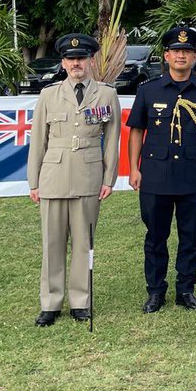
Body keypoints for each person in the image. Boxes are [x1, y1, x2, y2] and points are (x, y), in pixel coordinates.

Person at [127, 23, 196, 313]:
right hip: (155, 175)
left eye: (187, 51)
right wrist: (134, 168)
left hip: (195, 173)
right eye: (176, 51)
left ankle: (186, 289)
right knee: (155, 236)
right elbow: (136, 130)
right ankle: (155, 291)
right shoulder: (148, 90)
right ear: (166, 56)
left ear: (195, 57)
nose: (181, 56)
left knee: (190, 234)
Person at [27, 33, 121, 326]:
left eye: (81, 58)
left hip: (89, 176)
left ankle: (81, 301)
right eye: (71, 59)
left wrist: (109, 178)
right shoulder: (49, 95)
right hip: (53, 176)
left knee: (84, 243)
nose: (76, 63)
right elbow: (38, 141)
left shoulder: (106, 94)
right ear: (63, 63)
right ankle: (51, 303)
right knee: (52, 243)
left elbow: (113, 140)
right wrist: (34, 181)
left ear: (91, 60)